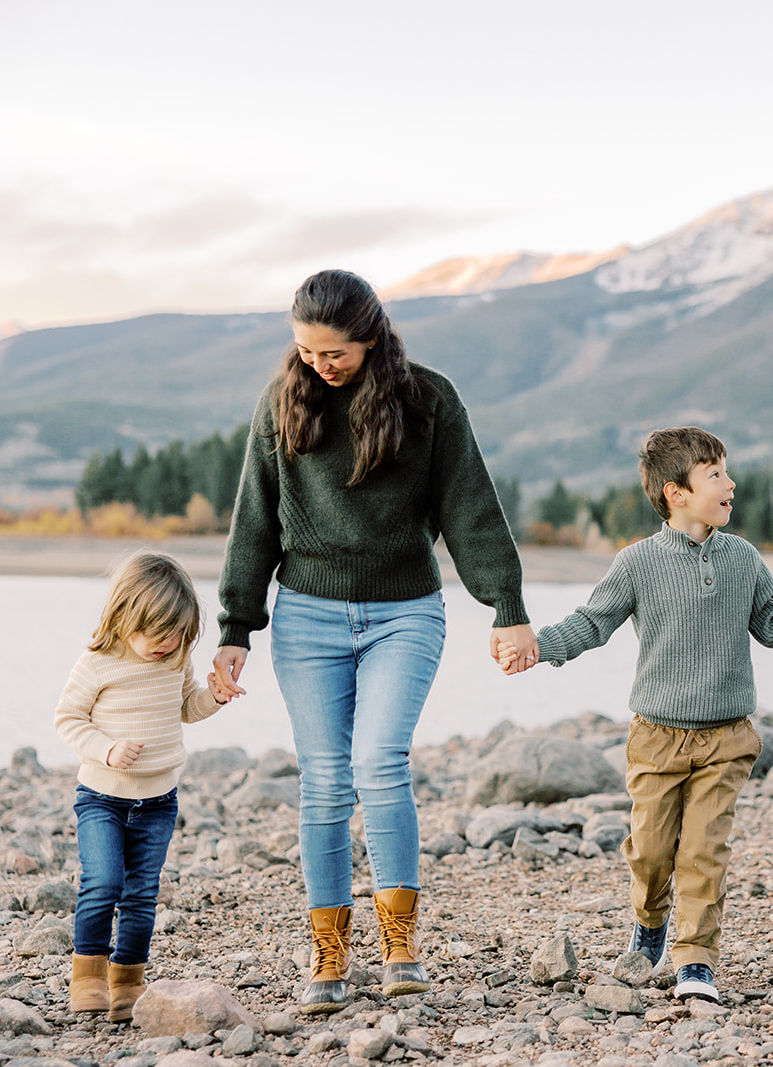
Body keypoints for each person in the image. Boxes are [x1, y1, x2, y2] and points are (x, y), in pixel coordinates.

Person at [211, 269, 535, 1012]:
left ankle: (400, 944)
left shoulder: (427, 400)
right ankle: (328, 952)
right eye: (306, 352)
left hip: (405, 612)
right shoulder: (282, 402)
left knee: (380, 762)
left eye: (336, 354)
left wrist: (506, 604)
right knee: (325, 779)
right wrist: (236, 626)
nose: (320, 366)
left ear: (372, 337)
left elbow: (470, 508)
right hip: (307, 615)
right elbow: (253, 519)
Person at [498, 427, 773, 1003]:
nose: (731, 484)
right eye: (715, 475)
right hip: (655, 738)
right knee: (652, 851)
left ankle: (696, 961)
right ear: (675, 492)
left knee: (704, 850)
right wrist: (539, 645)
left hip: (727, 738)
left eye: (726, 472)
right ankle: (650, 922)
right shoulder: (637, 563)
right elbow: (591, 623)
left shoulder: (743, 559)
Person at [54, 551, 231, 1022]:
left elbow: (185, 709)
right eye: (159, 635)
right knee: (102, 882)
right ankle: (88, 973)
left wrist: (211, 697)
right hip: (102, 799)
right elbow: (67, 719)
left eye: (178, 636)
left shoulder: (175, 659)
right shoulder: (97, 663)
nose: (168, 644)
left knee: (141, 894)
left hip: (157, 802)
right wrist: (105, 748)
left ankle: (128, 980)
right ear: (125, 615)